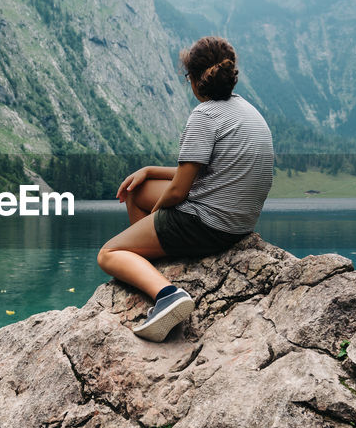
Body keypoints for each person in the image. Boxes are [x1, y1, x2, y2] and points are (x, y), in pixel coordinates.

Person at [97, 36, 274, 341]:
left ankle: (167, 294)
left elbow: (178, 192)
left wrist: (156, 215)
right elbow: (204, 170)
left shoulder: (204, 116)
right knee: (137, 189)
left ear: (194, 81)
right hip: (237, 222)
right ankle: (149, 259)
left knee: (109, 253)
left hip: (208, 225)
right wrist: (150, 171)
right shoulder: (245, 110)